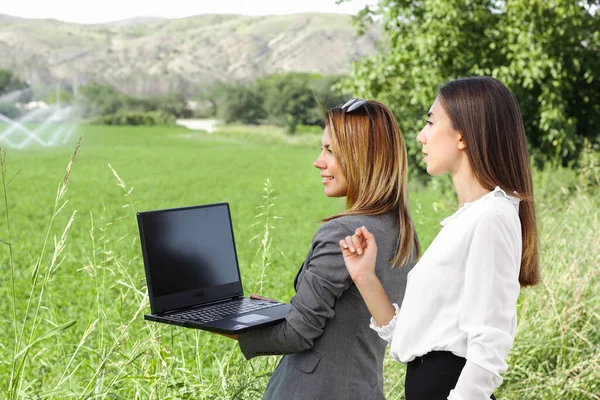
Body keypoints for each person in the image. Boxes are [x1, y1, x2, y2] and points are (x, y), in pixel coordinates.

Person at [339, 77, 540, 400]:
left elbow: (490, 342)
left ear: (462, 135)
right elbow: (415, 337)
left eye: (430, 122)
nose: (421, 136)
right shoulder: (469, 218)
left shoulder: (491, 216)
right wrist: (364, 275)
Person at [220, 98, 420, 400]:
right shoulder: (401, 231)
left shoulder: (343, 232)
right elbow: (347, 316)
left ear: (360, 158)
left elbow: (297, 333)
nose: (319, 161)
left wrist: (231, 324)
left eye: (330, 151)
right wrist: (283, 311)